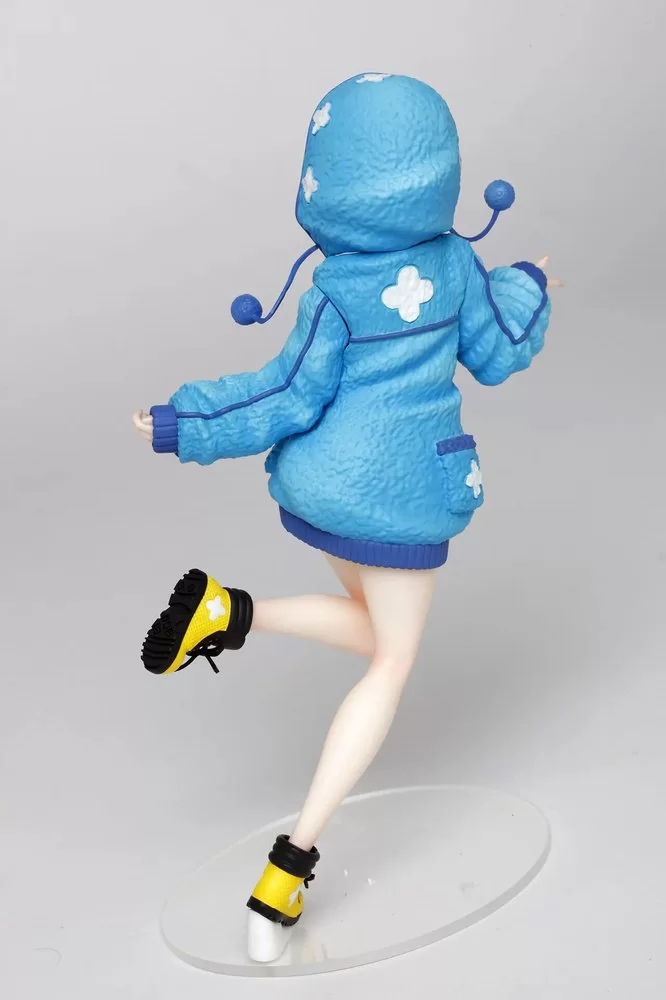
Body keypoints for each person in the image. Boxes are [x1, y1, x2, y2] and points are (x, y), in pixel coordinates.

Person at [133, 72, 560, 963]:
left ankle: (230, 611)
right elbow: (500, 350)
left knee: (372, 630)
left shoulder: (333, 288)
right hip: (402, 498)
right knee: (392, 661)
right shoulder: (455, 265)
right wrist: (527, 284)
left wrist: (188, 421)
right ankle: (288, 868)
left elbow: (283, 394)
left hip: (325, 484)